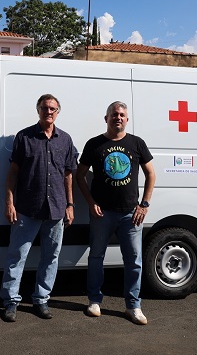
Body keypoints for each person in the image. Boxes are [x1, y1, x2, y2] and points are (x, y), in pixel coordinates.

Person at [75, 101, 156, 325]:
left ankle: (133, 306)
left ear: (126, 120)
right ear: (106, 118)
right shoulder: (94, 144)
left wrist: (144, 205)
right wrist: (90, 202)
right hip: (102, 213)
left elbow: (151, 174)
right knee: (96, 257)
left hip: (131, 214)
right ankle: (94, 301)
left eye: (121, 115)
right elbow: (79, 175)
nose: (117, 118)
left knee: (134, 261)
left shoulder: (137, 143)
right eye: (114, 114)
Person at [0, 94, 77, 322]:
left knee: (50, 257)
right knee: (17, 255)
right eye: (45, 108)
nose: (49, 111)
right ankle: (10, 301)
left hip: (56, 208)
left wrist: (70, 204)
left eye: (53, 108)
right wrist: (9, 202)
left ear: (58, 112)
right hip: (27, 207)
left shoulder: (65, 139)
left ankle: (41, 299)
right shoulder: (24, 137)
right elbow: (13, 172)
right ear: (38, 110)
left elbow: (68, 175)